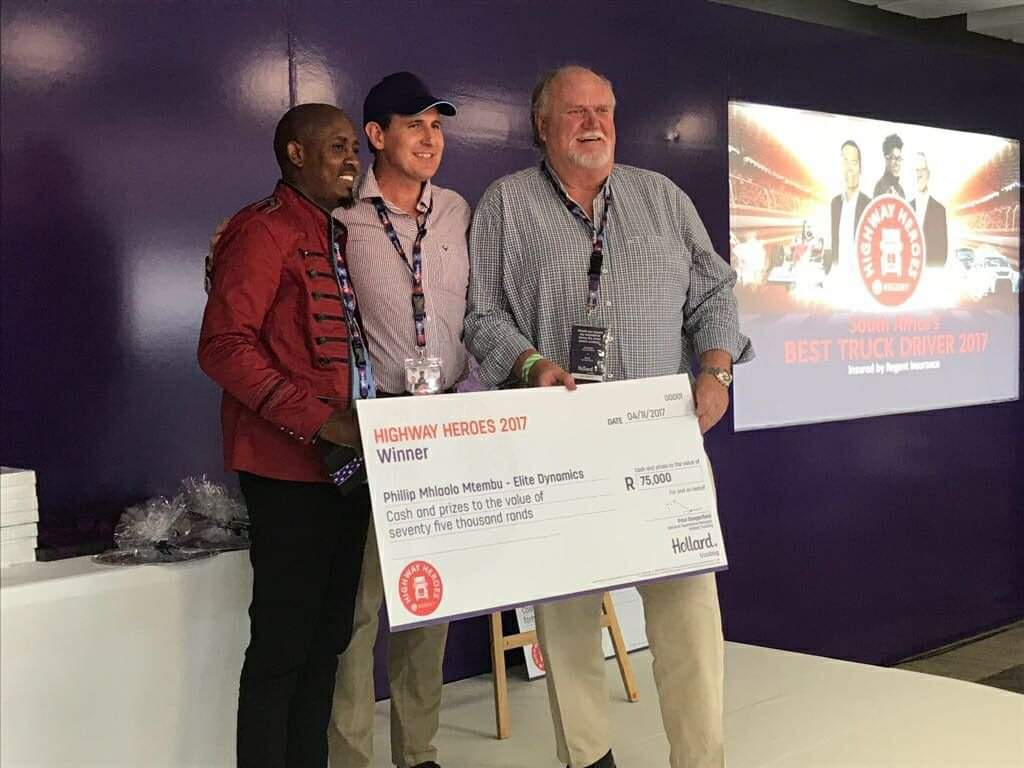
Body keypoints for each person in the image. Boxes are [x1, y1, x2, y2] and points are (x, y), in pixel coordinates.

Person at [465, 65, 752, 768]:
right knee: (565, 618)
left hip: (659, 441)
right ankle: (589, 758)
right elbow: (481, 315)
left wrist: (716, 371)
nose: (593, 124)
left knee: (688, 615)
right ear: (542, 125)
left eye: (604, 111)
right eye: (576, 112)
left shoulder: (663, 199)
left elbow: (715, 293)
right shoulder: (505, 205)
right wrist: (531, 364)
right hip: (559, 442)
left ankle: (701, 758)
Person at [198, 103, 371, 768]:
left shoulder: (333, 235)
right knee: (282, 647)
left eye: (353, 147)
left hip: (345, 470)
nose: (352, 159)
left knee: (327, 641)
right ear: (295, 154)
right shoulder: (261, 230)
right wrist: (320, 418)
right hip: (285, 472)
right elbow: (222, 347)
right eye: (337, 146)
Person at [328, 72, 470, 768]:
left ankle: (418, 753)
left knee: (427, 598)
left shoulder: (457, 211)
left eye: (436, 126)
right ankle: (352, 757)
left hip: (443, 424)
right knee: (357, 610)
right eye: (414, 125)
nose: (430, 138)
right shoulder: (340, 216)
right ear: (376, 136)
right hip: (372, 425)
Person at [830, 139, 870, 270]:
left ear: (860, 168)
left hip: (860, 277)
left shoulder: (869, 205)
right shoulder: (835, 204)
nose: (850, 168)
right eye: (845, 162)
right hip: (839, 276)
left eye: (854, 162)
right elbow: (834, 246)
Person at [910, 152, 948, 267]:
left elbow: (942, 253)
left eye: (922, 170)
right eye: (916, 170)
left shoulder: (940, 210)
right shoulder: (904, 209)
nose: (919, 174)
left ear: (928, 174)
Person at [873, 133, 905, 198]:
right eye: (894, 158)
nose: (897, 163)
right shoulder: (880, 187)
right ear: (886, 159)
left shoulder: (900, 190)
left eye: (899, 158)